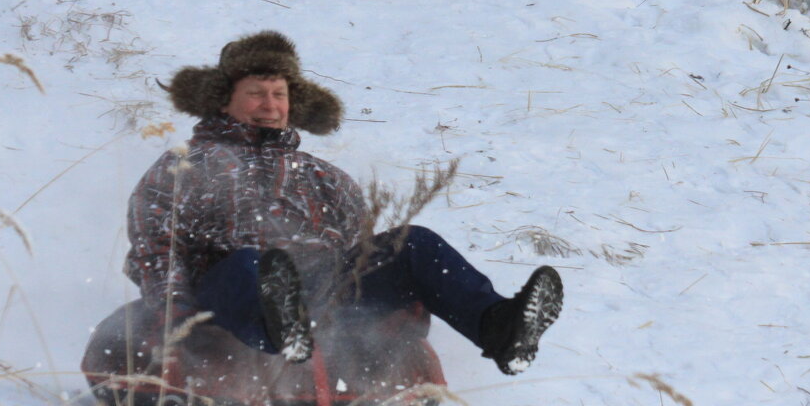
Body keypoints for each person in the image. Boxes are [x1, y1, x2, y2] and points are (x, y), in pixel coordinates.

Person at [125, 31, 563, 375]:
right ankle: (279, 328)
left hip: (321, 294)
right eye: (256, 93)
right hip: (224, 300)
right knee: (248, 264)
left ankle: (499, 328)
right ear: (224, 101)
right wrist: (175, 319)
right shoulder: (185, 167)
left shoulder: (322, 178)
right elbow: (156, 248)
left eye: (279, 94)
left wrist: (400, 318)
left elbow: (360, 255)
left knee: (415, 244)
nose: (270, 105)